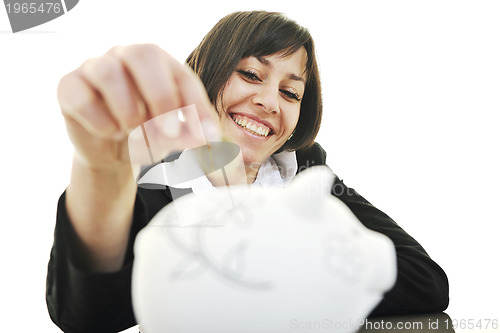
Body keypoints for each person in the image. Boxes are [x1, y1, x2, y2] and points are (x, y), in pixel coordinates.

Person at [46, 11, 449, 333]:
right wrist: (101, 165)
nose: (270, 101)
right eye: (251, 74)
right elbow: (88, 315)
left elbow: (425, 280)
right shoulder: (163, 179)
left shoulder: (301, 172)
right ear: (206, 72)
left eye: (291, 92)